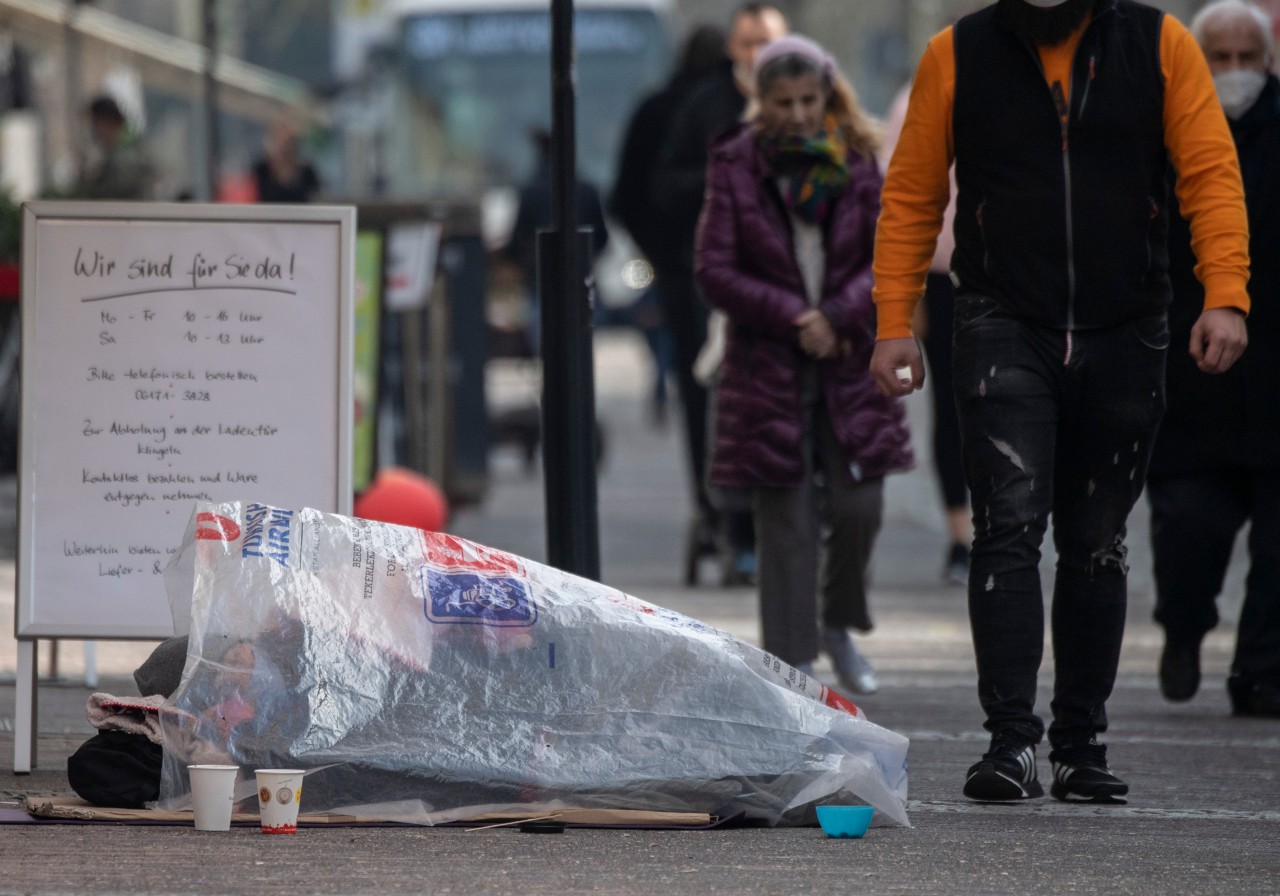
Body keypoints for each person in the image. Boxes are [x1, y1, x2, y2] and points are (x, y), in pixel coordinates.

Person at [871, 0, 1250, 803]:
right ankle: (1010, 743)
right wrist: (893, 320)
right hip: (1002, 318)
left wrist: (1225, 293)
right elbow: (911, 193)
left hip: (1127, 321)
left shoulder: (1160, 44)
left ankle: (1082, 742)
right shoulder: (959, 52)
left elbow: (1210, 171)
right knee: (1006, 528)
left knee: (1097, 540)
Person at [695, 34, 912, 695]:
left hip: (849, 358)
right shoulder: (735, 163)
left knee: (860, 505)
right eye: (782, 102)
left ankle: (840, 622)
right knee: (784, 519)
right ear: (761, 102)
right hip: (769, 364)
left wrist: (838, 317)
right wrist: (794, 315)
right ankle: (793, 668)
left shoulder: (859, 160)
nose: (796, 114)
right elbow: (714, 269)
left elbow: (887, 253)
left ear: (828, 97)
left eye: (807, 100)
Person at [1147, 0, 1280, 720]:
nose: (1233, 74)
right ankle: (1185, 624)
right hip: (1188, 373)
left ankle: (1262, 670)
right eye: (1217, 59)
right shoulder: (1162, 127)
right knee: (1189, 529)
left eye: (1245, 58)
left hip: (1274, 371)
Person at [652, 4, 788, 585]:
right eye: (748, 44)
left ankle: (787, 522)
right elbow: (664, 185)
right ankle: (732, 527)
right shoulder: (703, 107)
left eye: (768, 43)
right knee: (724, 403)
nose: (758, 55)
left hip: (789, 282)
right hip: (718, 281)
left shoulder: (804, 101)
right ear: (732, 48)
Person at [612, 24, 727, 428]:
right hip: (719, 262)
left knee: (696, 379)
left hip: (680, 264)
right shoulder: (736, 108)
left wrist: (658, 254)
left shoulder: (657, 108)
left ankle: (707, 480)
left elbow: (625, 196)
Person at [879, 83, 971, 587]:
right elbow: (899, 194)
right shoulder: (916, 100)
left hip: (1019, 273)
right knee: (955, 407)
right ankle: (961, 535)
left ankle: (1004, 526)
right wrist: (905, 296)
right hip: (941, 276)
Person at [72, 95, 155, 200]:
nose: (95, 131)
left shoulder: (126, 156)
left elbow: (102, 195)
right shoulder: (131, 147)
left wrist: (85, 174)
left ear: (109, 122)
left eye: (96, 124)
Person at [252, 118, 321, 203]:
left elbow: (317, 199)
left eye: (290, 142)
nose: (286, 148)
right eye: (282, 142)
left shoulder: (307, 172)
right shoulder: (261, 170)